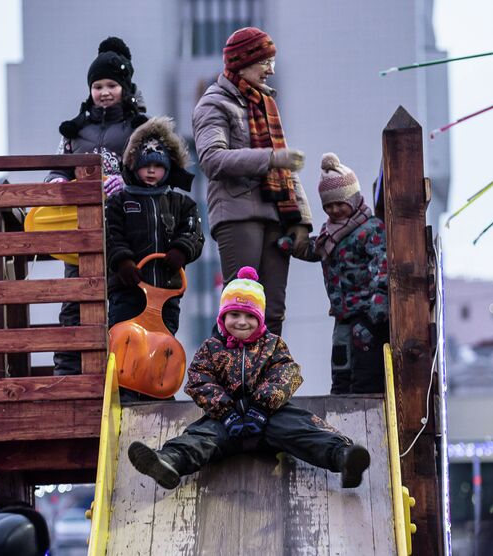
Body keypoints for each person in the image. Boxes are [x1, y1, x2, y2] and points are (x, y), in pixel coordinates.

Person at [127, 266, 371, 489]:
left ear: (260, 319)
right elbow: (199, 380)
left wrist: (261, 407)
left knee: (301, 427)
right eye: (234, 315)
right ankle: (168, 461)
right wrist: (226, 411)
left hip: (269, 419)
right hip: (227, 422)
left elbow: (286, 374)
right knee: (201, 437)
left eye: (250, 316)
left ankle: (344, 457)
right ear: (223, 318)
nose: (242, 322)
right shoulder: (212, 348)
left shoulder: (273, 345)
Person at [192, 27, 313, 336]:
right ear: (242, 62)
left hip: (276, 213)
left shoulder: (265, 103)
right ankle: (236, 380)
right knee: (241, 307)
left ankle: (270, 382)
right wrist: (270, 159)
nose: (271, 70)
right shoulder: (213, 103)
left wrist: (301, 219)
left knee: (273, 311)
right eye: (265, 62)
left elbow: (287, 165)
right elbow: (212, 159)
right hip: (237, 213)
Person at [46, 36, 147, 375]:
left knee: (122, 298)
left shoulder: (138, 127)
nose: (104, 92)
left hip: (123, 228)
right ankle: (69, 373)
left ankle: (127, 373)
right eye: (98, 85)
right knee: (76, 298)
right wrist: (57, 182)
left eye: (112, 85)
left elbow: (153, 170)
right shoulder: (76, 131)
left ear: (125, 88)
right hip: (81, 228)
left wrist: (127, 182)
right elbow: (59, 166)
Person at [106, 116, 204, 400]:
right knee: (125, 341)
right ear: (134, 167)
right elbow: (111, 234)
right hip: (128, 289)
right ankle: (124, 393)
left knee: (162, 342)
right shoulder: (120, 202)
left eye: (158, 166)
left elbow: (194, 231)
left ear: (168, 168)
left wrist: (181, 250)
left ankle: (157, 391)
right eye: (146, 165)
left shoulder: (181, 203)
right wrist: (122, 261)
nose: (151, 171)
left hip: (165, 292)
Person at [293, 154, 389, 394]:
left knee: (365, 361)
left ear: (354, 198)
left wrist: (380, 298)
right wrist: (289, 245)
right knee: (341, 359)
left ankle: (364, 397)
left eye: (340, 203)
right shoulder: (330, 234)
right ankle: (340, 397)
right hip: (342, 313)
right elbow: (315, 250)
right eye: (328, 205)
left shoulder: (370, 228)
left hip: (366, 312)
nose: (334, 209)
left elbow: (382, 261)